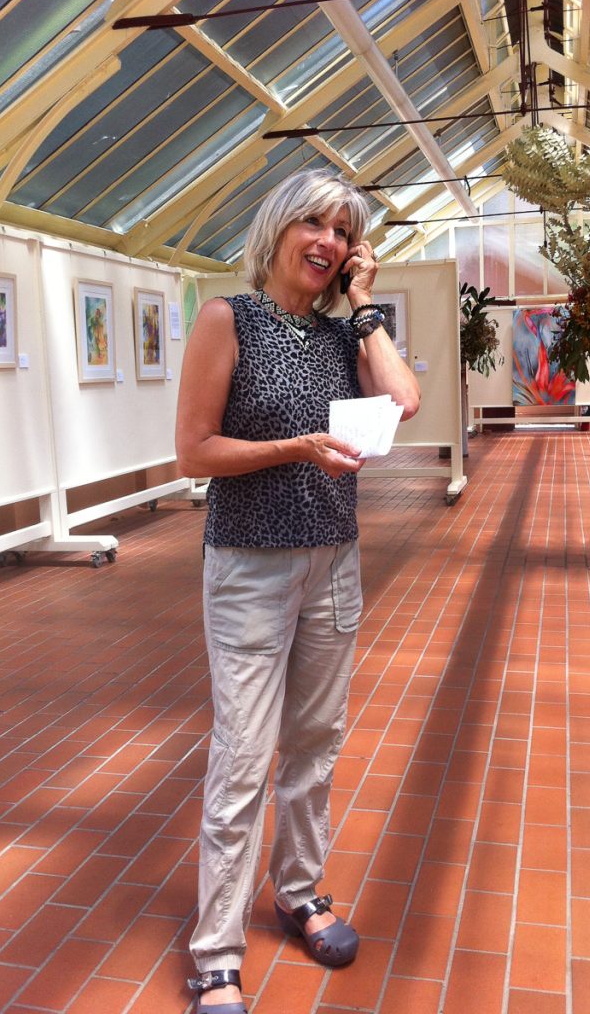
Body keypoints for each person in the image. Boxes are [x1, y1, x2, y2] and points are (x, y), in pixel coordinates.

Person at [175, 169, 420, 1013]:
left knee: (314, 743)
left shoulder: (342, 335)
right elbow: (194, 452)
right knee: (244, 755)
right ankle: (215, 950)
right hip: (248, 565)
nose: (328, 241)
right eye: (313, 223)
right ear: (278, 228)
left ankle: (300, 891)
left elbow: (405, 400)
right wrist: (296, 448)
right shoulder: (226, 319)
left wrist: (366, 309)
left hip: (332, 563)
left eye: (343, 231)